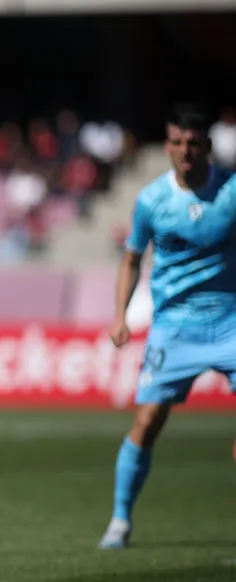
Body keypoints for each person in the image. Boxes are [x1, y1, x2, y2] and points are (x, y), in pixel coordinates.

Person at [99, 104, 236, 550]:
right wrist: (120, 315)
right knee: (149, 419)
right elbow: (132, 259)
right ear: (168, 145)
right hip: (174, 326)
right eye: (177, 143)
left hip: (231, 320)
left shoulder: (232, 192)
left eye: (194, 143)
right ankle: (120, 521)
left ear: (208, 146)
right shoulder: (153, 200)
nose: (185, 151)